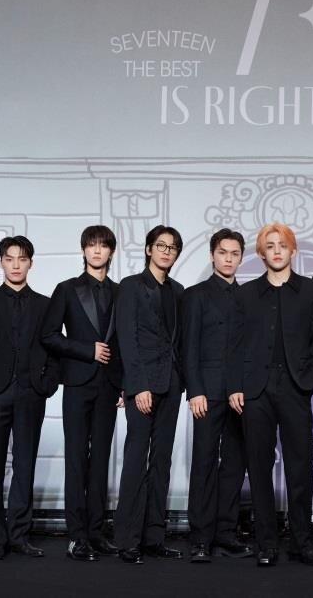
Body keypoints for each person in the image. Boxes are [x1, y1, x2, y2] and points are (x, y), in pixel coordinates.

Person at [228, 223, 313, 567]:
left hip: (294, 387)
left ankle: (302, 543)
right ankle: (266, 544)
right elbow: (234, 345)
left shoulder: (311, 291)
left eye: (282, 245)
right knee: (258, 467)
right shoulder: (245, 294)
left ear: (292, 250)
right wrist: (235, 386)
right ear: (261, 253)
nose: (276, 251)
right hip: (255, 389)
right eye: (270, 246)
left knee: (300, 465)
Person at [0, 236, 60, 560]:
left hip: (31, 394)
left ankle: (19, 535)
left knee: (25, 465)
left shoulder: (45, 305)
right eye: (10, 258)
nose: (16, 265)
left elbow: (54, 347)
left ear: (30, 263)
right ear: (1, 262)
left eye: (22, 259)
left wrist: (48, 384)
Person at [41, 225, 121, 562]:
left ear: (111, 251)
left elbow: (125, 342)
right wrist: (87, 350)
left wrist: (124, 383)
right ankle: (77, 536)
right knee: (76, 459)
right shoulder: (67, 289)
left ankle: (96, 532)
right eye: (91, 245)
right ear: (83, 249)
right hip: (77, 383)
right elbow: (49, 335)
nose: (97, 251)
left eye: (103, 245)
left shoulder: (121, 291)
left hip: (109, 386)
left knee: (101, 459)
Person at [113, 225, 186, 564]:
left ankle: (154, 537)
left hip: (171, 385)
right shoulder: (130, 286)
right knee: (135, 460)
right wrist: (137, 385)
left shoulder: (178, 291)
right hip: (142, 386)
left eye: (172, 247)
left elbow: (178, 340)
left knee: (161, 462)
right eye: (161, 245)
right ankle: (127, 540)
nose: (166, 251)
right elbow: (126, 338)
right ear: (148, 249)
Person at [183, 229, 252, 562]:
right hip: (207, 393)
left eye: (235, 253)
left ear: (241, 258)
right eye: (223, 252)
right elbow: (189, 347)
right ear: (212, 255)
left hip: (240, 395)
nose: (228, 258)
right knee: (204, 463)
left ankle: (226, 533)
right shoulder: (195, 295)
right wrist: (195, 390)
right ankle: (200, 537)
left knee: (235, 465)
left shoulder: (248, 296)